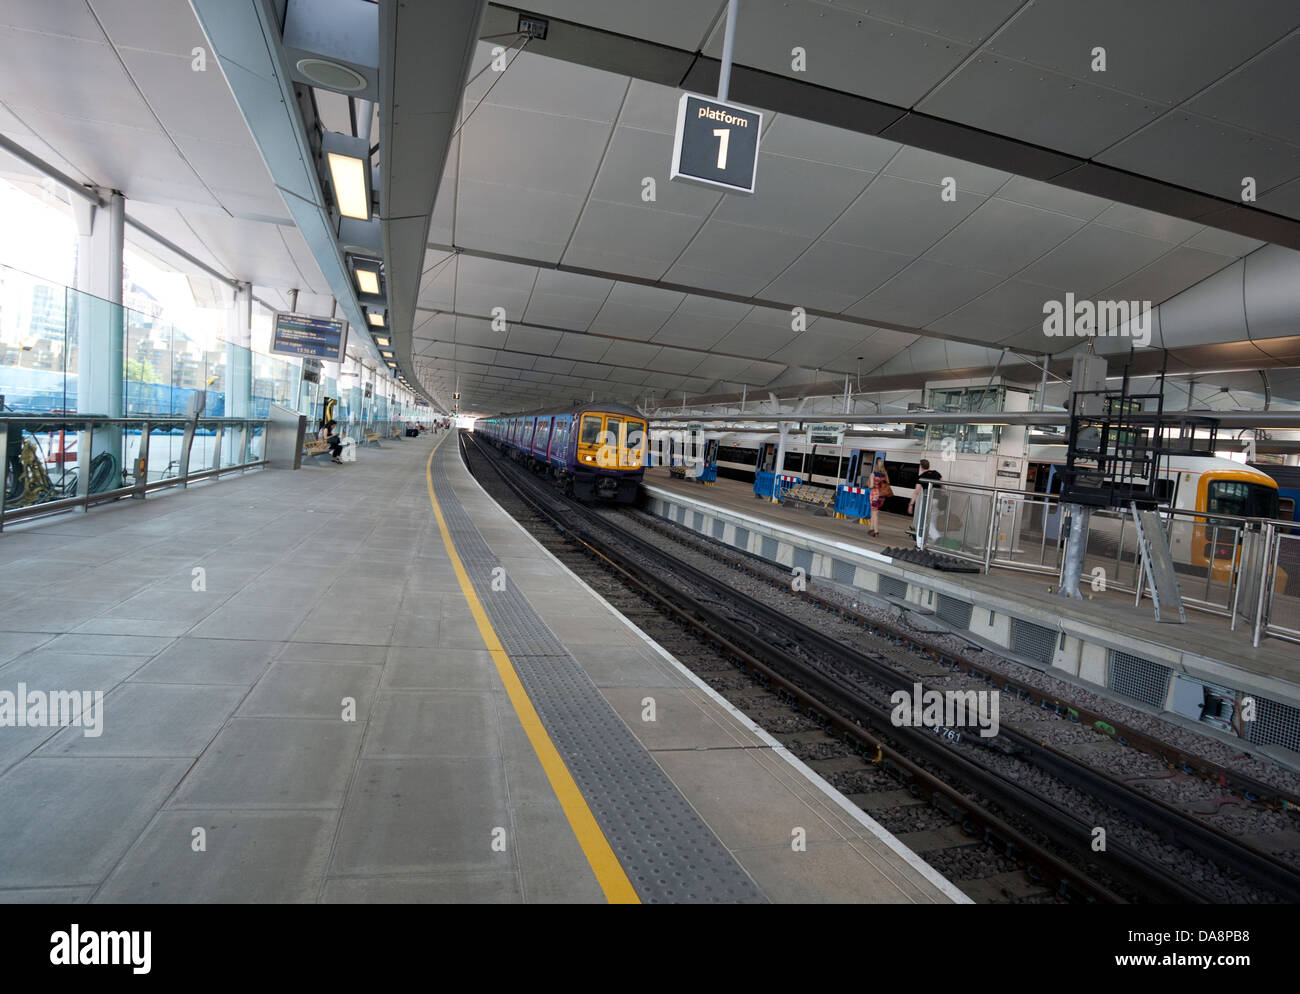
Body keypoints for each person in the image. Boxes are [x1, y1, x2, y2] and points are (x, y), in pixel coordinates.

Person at [909, 458, 943, 546]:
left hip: (927, 501)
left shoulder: (921, 477)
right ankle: (930, 542)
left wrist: (911, 504)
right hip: (938, 500)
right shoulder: (936, 473)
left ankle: (927, 541)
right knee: (933, 521)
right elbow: (943, 486)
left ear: (921, 467)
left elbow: (916, 492)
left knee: (923, 520)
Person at [868, 457, 891, 538]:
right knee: (874, 511)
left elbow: (871, 486)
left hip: (874, 495)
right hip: (882, 496)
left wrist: (871, 485)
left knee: (875, 513)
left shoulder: (872, 474)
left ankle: (876, 531)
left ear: (875, 466)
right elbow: (887, 483)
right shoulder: (885, 474)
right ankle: (871, 528)